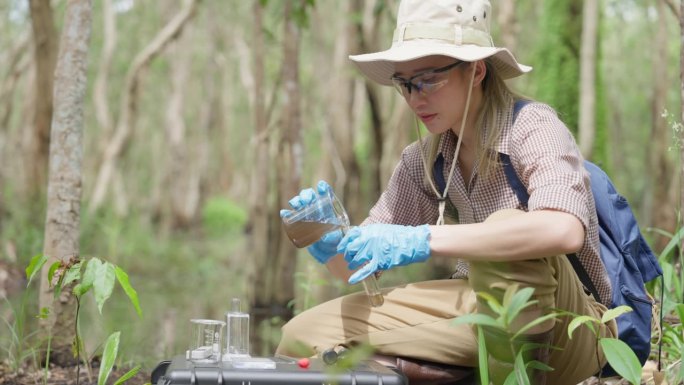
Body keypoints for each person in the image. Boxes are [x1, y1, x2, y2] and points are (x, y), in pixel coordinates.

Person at [276, 1, 617, 384]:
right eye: (404, 83)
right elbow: (354, 269)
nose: (415, 97)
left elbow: (563, 230)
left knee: (504, 229)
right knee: (302, 336)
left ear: (476, 71)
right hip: (476, 308)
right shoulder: (423, 160)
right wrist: (330, 240)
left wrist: (425, 238)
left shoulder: (533, 127)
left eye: (428, 79)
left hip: (567, 328)